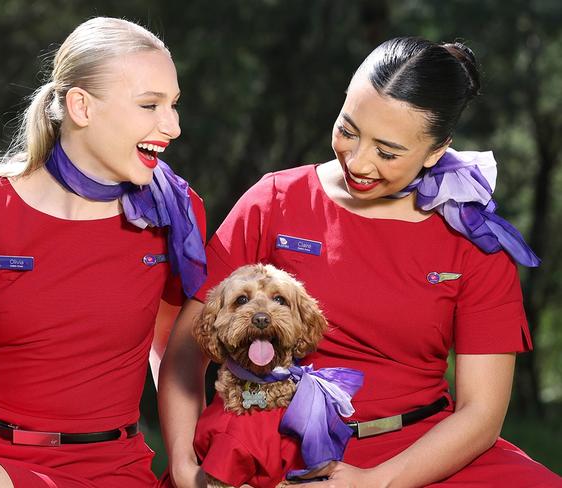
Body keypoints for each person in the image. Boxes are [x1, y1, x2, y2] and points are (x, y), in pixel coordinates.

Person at [158, 37, 561, 487]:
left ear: (436, 151)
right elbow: (187, 349)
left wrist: (376, 482)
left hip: (420, 452)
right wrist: (181, 462)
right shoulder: (276, 199)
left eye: (387, 152)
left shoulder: (475, 239)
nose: (358, 160)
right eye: (348, 129)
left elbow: (481, 413)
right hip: (273, 440)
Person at [0, 16, 206, 488]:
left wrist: (187, 466)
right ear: (81, 107)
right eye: (150, 105)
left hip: (116, 471)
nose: (171, 126)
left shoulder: (176, 212)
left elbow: (174, 356)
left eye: (173, 105)